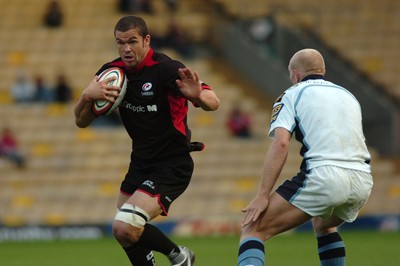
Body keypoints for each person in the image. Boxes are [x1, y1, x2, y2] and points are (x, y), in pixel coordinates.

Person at [74, 15, 219, 266]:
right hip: (140, 162)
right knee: (126, 233)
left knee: (124, 225)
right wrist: (87, 95)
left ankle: (179, 256)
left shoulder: (166, 69)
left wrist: (199, 96)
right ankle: (178, 257)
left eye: (132, 41)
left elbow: (213, 102)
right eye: (120, 42)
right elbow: (81, 121)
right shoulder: (112, 73)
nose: (126, 48)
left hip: (172, 163)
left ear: (147, 40)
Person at [237, 48, 373, 266]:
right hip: (362, 179)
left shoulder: (292, 93)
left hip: (325, 177)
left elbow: (281, 143)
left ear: (295, 74)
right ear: (323, 70)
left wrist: (263, 194)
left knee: (252, 229)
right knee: (324, 223)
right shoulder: (348, 95)